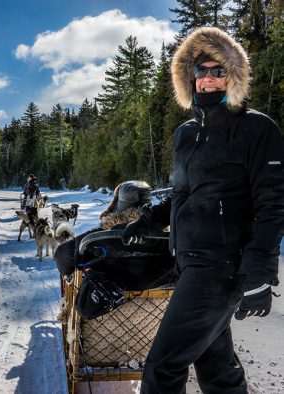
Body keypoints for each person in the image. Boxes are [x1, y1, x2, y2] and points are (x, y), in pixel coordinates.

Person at [122, 27, 284, 393]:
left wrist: (259, 272)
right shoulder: (187, 134)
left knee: (163, 368)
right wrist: (147, 221)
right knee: (216, 367)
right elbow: (182, 193)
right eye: (200, 71)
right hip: (189, 262)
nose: (208, 79)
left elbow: (273, 204)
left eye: (217, 71)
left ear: (233, 76)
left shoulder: (257, 129)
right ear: (189, 77)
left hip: (221, 267)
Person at [54, 180, 174, 291]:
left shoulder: (99, 236)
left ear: (118, 203)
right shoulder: (166, 239)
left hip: (104, 308)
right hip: (160, 309)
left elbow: (62, 257)